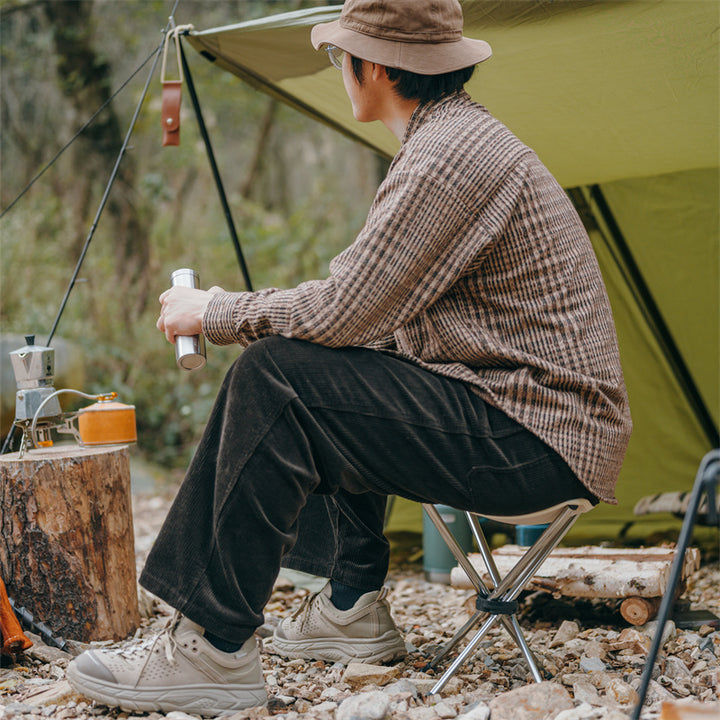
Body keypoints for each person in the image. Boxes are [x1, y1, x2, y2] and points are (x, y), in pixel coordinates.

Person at [66, 0, 632, 714]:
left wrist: (215, 312)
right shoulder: (449, 142)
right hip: (527, 424)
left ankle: (210, 648)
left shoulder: (448, 161)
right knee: (332, 365)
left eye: (342, 57)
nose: (340, 69)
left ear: (379, 68)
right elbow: (359, 320)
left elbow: (340, 308)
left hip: (535, 438)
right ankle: (349, 605)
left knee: (278, 377)